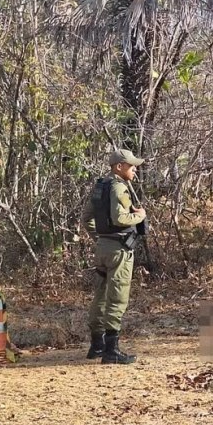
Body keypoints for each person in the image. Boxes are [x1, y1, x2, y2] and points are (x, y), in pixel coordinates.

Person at [80, 149, 147, 364]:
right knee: (117, 297)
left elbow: (86, 217)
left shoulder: (101, 186)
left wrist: (99, 238)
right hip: (119, 250)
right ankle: (112, 351)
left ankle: (96, 346)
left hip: (103, 248)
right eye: (131, 165)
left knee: (99, 296)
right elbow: (119, 218)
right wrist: (139, 216)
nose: (135, 169)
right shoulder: (118, 187)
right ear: (119, 167)